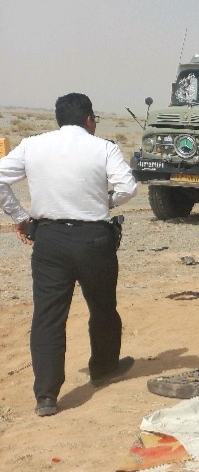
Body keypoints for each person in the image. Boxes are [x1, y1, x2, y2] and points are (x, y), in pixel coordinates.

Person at [0, 93, 137, 417]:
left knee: (48, 315)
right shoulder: (103, 147)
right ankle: (103, 367)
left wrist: (20, 216)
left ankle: (46, 395)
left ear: (60, 118)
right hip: (94, 239)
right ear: (89, 119)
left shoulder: (33, 145)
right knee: (102, 306)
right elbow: (129, 188)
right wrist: (106, 202)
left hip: (49, 240)